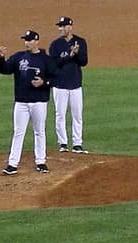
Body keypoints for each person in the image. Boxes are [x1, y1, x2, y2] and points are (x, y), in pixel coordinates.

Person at [0, 30, 53, 175]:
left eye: (29, 40)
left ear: (36, 41)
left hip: (39, 102)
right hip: (21, 102)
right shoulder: (18, 57)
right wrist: (1, 58)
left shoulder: (45, 59)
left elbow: (56, 77)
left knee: (39, 132)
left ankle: (41, 162)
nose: (26, 43)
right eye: (25, 40)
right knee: (18, 132)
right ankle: (12, 164)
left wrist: (44, 82)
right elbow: (5, 70)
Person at [48, 16, 89, 154]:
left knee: (77, 115)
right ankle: (63, 143)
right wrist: (69, 55)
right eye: (60, 26)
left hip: (76, 83)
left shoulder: (80, 42)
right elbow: (54, 63)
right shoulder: (55, 45)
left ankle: (77, 143)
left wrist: (76, 54)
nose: (61, 28)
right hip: (59, 84)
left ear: (70, 27)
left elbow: (84, 62)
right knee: (60, 115)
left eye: (64, 26)